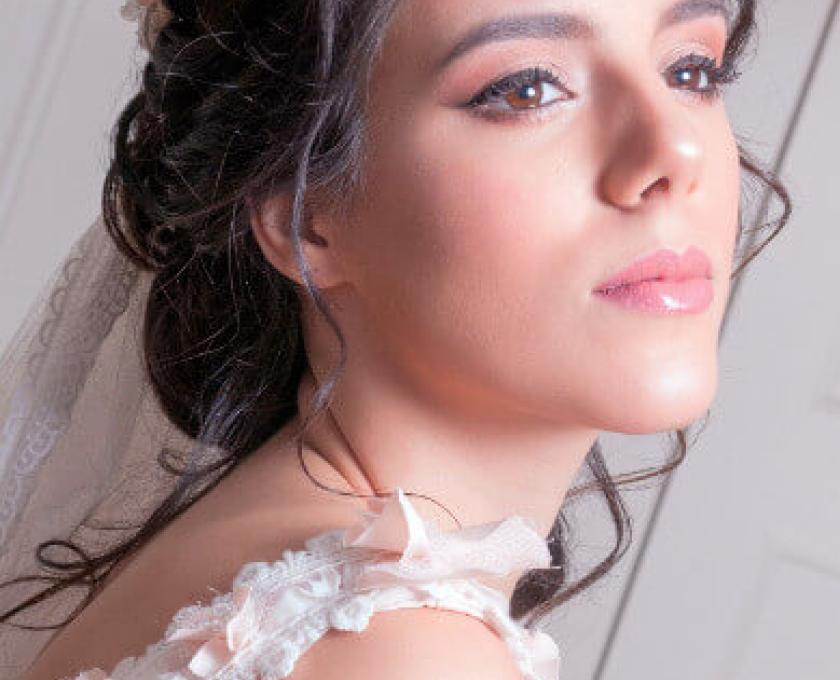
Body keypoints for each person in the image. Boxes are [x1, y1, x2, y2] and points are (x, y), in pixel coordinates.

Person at [0, 0, 791, 678]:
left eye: (691, 70)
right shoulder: (397, 650)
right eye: (527, 87)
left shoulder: (256, 566)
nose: (673, 152)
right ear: (306, 216)